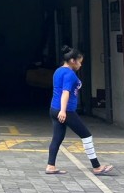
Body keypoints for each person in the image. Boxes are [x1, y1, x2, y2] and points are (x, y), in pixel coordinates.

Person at [45, 45, 115, 176]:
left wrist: (60, 110)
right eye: (80, 62)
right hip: (66, 111)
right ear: (72, 60)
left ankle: (51, 166)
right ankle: (97, 167)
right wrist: (63, 111)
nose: (80, 65)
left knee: (57, 138)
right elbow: (65, 93)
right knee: (86, 136)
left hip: (54, 109)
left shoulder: (58, 71)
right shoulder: (70, 74)